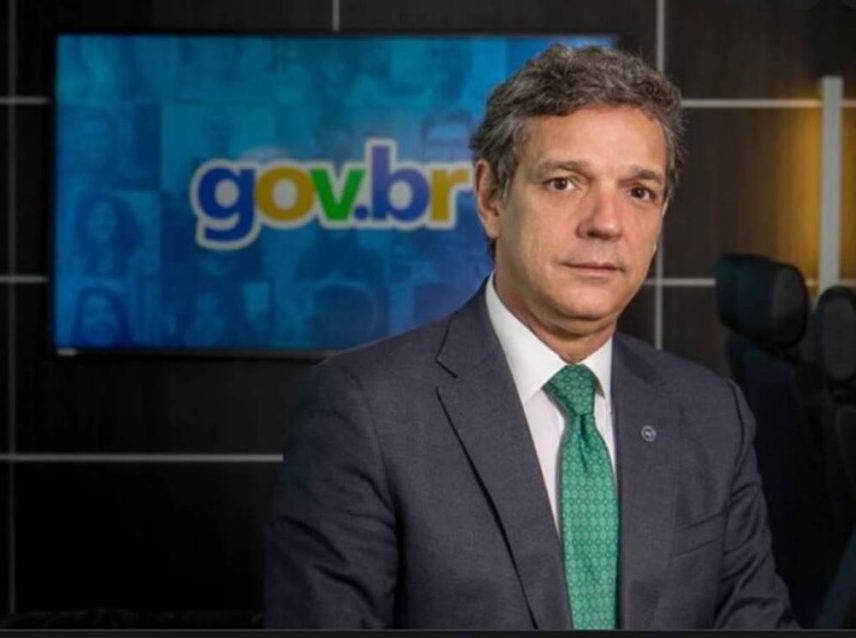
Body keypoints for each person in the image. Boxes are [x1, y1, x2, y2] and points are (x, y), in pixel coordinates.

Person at [264, 44, 796, 629]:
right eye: (565, 182)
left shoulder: (712, 415)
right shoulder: (364, 410)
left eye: (638, 191)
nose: (606, 223)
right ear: (492, 198)